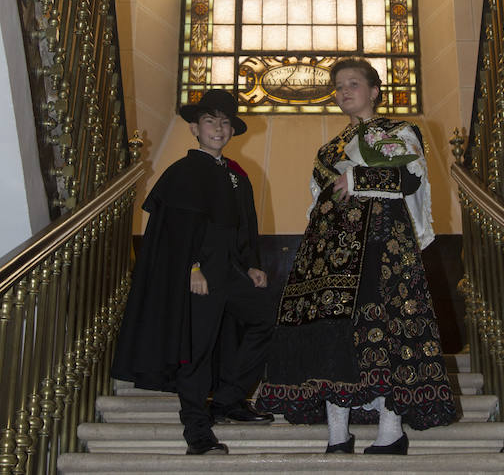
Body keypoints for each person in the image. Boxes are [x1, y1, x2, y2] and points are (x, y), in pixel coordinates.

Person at [256, 58, 456, 454]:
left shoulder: (399, 132)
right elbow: (321, 199)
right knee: (333, 335)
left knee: (384, 329)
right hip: (331, 253)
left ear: (374, 91)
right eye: (339, 86)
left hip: (382, 245)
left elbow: (410, 178)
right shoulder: (328, 149)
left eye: (353, 83)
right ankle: (337, 433)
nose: (344, 91)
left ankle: (391, 431)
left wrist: (358, 177)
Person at [111, 89, 275, 456]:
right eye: (210, 121)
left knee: (266, 318)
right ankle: (197, 432)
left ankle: (229, 399)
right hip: (199, 273)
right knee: (195, 351)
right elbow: (175, 233)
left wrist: (252, 264)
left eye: (224, 122)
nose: (218, 128)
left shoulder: (236, 174)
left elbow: (244, 226)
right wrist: (192, 268)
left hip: (231, 272)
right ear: (194, 129)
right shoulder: (182, 173)